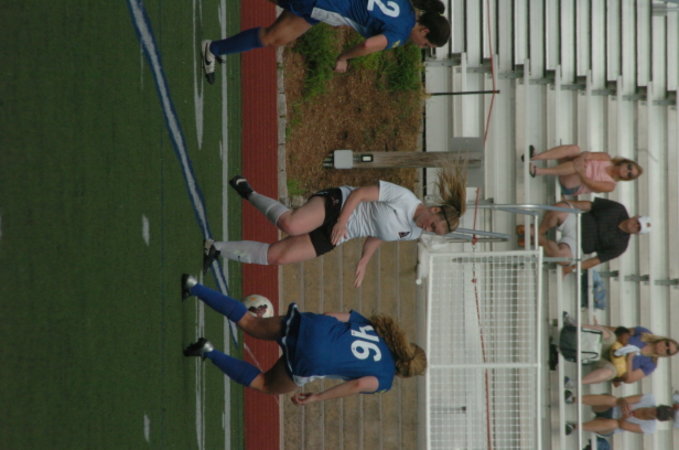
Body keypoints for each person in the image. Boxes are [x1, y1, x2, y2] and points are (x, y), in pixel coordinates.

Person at [180, 274, 427, 403]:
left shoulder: (378, 329)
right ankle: (208, 351)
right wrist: (317, 397)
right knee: (266, 384)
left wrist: (306, 331)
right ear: (404, 373)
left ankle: (193, 286)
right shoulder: (384, 380)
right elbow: (358, 385)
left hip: (312, 326)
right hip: (313, 359)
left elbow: (330, 315)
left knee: (250, 323)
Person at [204, 167, 466, 287]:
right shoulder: (404, 197)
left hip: (341, 234)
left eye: (433, 232)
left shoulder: (415, 231)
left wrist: (364, 260)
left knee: (278, 257)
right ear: (434, 210)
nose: (428, 230)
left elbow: (379, 235)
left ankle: (215, 248)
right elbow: (360, 193)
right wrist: (341, 221)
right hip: (339, 204)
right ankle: (248, 192)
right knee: (291, 224)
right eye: (432, 225)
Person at [200, 0, 451, 82]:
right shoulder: (400, 35)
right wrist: (343, 58)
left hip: (324, 8)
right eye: (426, 44)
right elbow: (367, 45)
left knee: (274, 37)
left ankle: (213, 49)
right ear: (424, 30)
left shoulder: (406, 6)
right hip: (323, 4)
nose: (421, 47)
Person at [532, 198, 651, 274]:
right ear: (636, 216)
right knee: (559, 208)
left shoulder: (621, 246)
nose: (635, 225)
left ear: (637, 234)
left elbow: (596, 260)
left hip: (578, 245)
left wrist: (570, 269)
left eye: (638, 228)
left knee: (562, 258)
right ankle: (538, 232)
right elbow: (590, 205)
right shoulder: (618, 208)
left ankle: (538, 238)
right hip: (576, 221)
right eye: (637, 222)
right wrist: (568, 203)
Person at [577, 325, 678, 386]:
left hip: (610, 364)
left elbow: (629, 379)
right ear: (664, 339)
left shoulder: (651, 364)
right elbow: (619, 330)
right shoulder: (645, 333)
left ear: (666, 355)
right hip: (609, 346)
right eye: (667, 344)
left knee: (610, 372)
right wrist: (600, 327)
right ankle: (576, 326)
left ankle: (576, 383)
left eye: (668, 351)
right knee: (610, 336)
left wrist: (629, 360)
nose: (665, 348)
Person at [525, 144, 642, 195]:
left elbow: (590, 183)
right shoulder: (606, 157)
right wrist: (581, 159)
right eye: (629, 167)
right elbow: (587, 154)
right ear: (625, 162)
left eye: (629, 174)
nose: (627, 171)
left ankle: (539, 171)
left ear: (626, 178)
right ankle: (536, 156)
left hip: (573, 184)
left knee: (579, 168)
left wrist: (581, 169)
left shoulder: (611, 186)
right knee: (575, 149)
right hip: (574, 166)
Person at [565, 393, 674, 436]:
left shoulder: (650, 427)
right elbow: (622, 399)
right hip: (607, 407)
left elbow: (623, 425)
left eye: (657, 415)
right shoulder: (649, 398)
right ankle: (573, 399)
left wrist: (624, 417)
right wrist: (623, 404)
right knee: (613, 400)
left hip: (609, 426)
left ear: (657, 419)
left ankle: (574, 427)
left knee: (614, 424)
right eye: (657, 410)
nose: (654, 412)